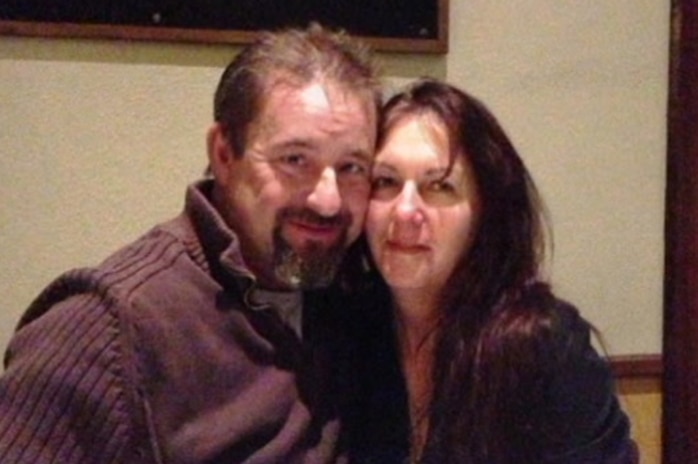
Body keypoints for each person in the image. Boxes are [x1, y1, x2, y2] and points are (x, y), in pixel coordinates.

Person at [0, 24, 381, 463]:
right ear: (223, 154)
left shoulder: (359, 297)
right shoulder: (112, 326)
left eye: (352, 167)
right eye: (295, 160)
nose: (328, 201)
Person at [340, 79, 639, 463]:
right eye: (386, 182)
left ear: (486, 211)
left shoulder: (544, 345)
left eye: (440, 186)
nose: (404, 209)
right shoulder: (347, 328)